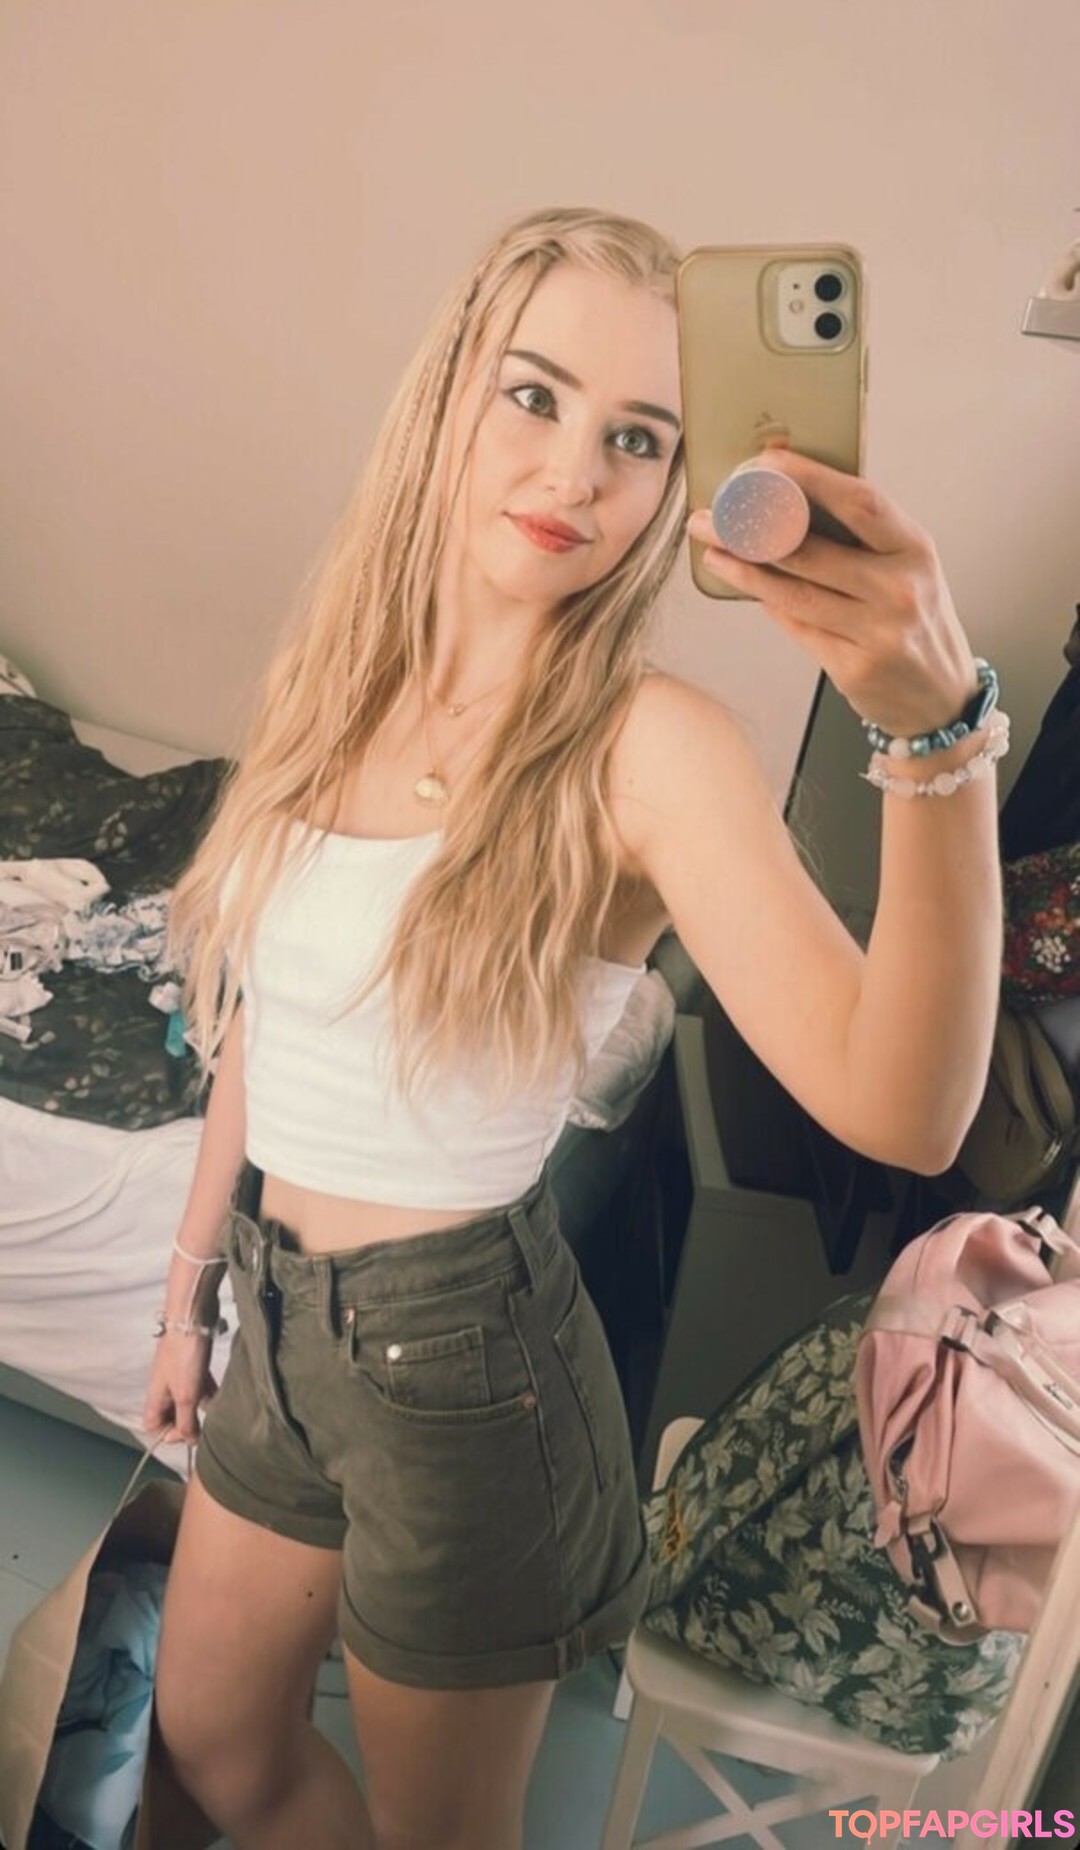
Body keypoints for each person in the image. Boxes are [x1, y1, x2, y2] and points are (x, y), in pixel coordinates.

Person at [143, 205, 1006, 1850]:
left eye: (639, 439)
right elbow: (272, 1010)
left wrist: (937, 735)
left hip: (468, 1378)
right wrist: (192, 1291)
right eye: (535, 396)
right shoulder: (339, 672)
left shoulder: (646, 748)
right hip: (284, 1322)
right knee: (215, 1740)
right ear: (451, 390)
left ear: (676, 484)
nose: (574, 475)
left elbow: (908, 1109)